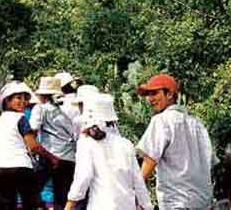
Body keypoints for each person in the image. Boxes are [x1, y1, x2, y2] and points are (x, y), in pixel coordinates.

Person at [136, 73, 218, 210]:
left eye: (154, 93)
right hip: (204, 203)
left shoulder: (161, 121)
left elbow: (149, 160)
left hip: (177, 203)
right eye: (148, 94)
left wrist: (133, 191)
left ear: (169, 94)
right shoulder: (197, 124)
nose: (150, 99)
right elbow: (210, 163)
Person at [64, 93, 153, 210]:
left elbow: (83, 178)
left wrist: (69, 206)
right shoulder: (126, 144)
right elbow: (137, 181)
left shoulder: (86, 143)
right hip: (126, 206)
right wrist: (146, 205)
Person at [0, 81, 58, 209]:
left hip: (0, 169)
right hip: (21, 167)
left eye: (25, 98)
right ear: (8, 101)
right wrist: (52, 157)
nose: (23, 102)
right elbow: (33, 146)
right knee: (30, 204)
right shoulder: (21, 119)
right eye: (18, 98)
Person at [30, 76, 76, 210]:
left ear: (42, 95)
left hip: (50, 155)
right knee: (62, 197)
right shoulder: (67, 110)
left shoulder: (40, 109)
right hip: (68, 157)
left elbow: (33, 128)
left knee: (32, 190)